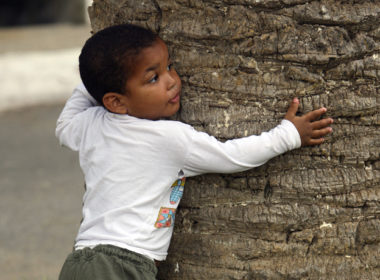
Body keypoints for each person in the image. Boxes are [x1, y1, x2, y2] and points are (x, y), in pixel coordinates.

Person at [56, 24, 333, 279]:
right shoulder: (169, 138)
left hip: (82, 260)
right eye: (153, 78)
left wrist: (93, 81)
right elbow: (233, 155)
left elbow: (64, 125)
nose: (171, 81)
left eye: (170, 67)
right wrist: (288, 135)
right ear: (116, 101)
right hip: (119, 266)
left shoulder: (90, 124)